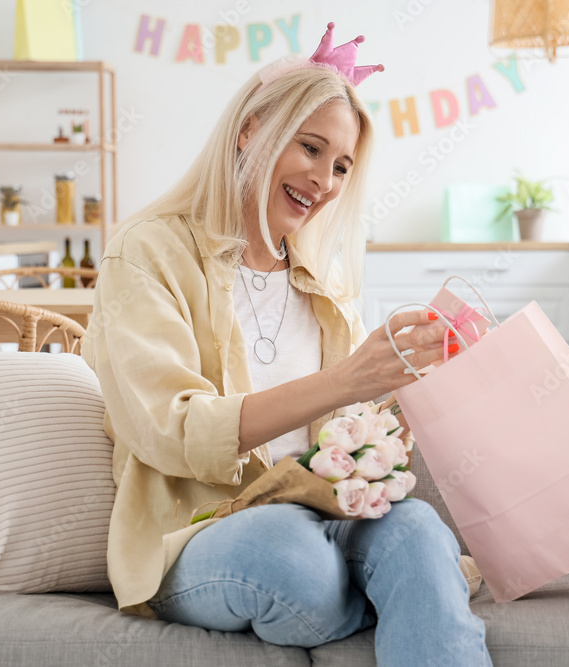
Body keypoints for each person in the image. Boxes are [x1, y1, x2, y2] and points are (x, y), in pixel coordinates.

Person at [81, 23, 492, 666]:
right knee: (290, 556)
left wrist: (403, 409)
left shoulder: (321, 286)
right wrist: (346, 381)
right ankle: (414, 594)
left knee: (415, 527)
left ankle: (411, 585)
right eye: (310, 148)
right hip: (200, 534)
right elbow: (171, 429)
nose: (324, 180)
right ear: (251, 130)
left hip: (322, 514)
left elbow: (342, 441)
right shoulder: (147, 252)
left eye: (341, 167)